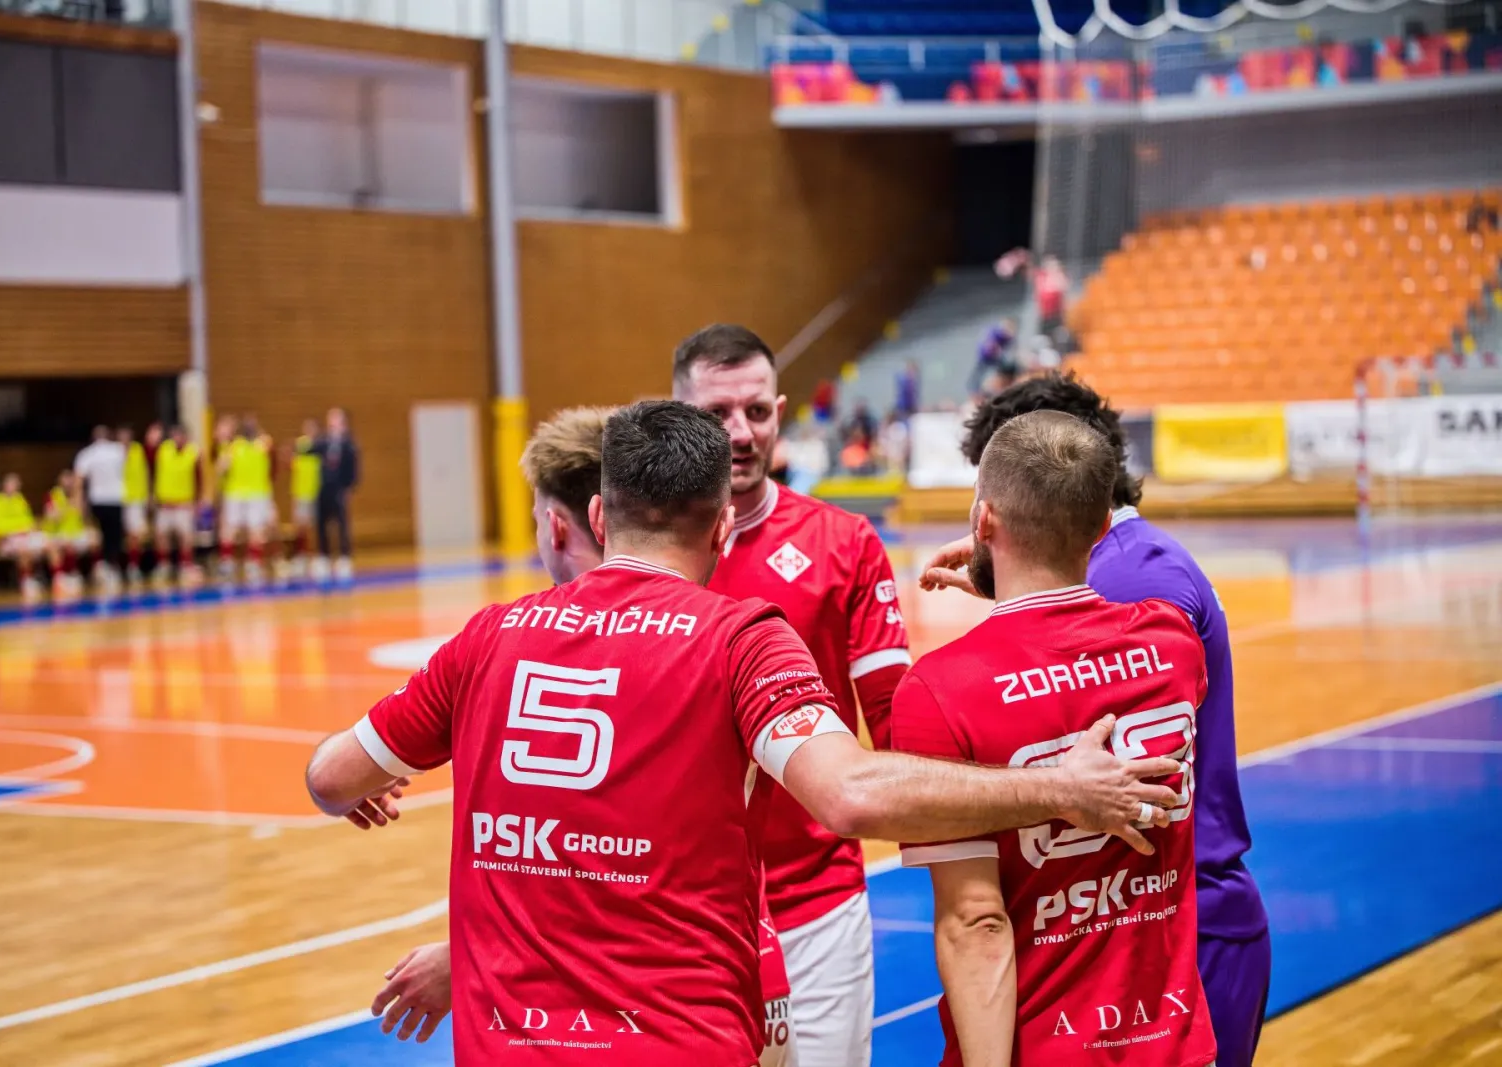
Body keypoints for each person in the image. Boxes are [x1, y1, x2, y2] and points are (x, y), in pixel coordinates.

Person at [306, 400, 1179, 1067]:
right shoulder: (741, 638)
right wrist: (1060, 787)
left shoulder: (488, 637)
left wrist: (368, 784)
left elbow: (330, 776)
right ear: (724, 527)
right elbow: (850, 794)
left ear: (598, 518)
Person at [372, 405, 799, 1064]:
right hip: (720, 994)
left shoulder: (501, 639)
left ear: (571, 521)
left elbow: (582, 855)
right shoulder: (722, 627)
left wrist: (469, 951)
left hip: (625, 1014)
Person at [925, 372, 1271, 1067]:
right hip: (1150, 921)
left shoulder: (1132, 580)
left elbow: (1073, 728)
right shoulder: (1129, 564)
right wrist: (1009, 581)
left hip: (1169, 924)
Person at [669, 324, 906, 1067]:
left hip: (816, 904)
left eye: (755, 411)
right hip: (680, 913)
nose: (740, 433)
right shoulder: (642, 550)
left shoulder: (845, 542)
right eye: (716, 414)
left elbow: (896, 722)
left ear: (779, 411)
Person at [215, 414, 274, 588]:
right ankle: (239, 564)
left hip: (251, 493)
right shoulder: (260, 445)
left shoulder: (239, 446)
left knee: (250, 530)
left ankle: (242, 564)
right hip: (243, 494)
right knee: (238, 529)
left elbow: (220, 468)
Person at [74, 425, 126, 591]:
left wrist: (79, 502)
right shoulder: (118, 450)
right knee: (114, 535)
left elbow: (79, 479)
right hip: (115, 498)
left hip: (98, 499)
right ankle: (111, 565)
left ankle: (102, 565)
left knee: (100, 535)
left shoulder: (87, 453)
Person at [312, 407, 359, 582]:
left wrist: (349, 487)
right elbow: (311, 449)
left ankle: (345, 558)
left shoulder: (349, 443)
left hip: (339, 489)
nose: (331, 422)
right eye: (330, 418)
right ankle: (324, 557)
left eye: (335, 418)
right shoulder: (323, 440)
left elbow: (354, 469)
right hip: (324, 488)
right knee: (321, 524)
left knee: (342, 524)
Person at [153, 424, 200, 587]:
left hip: (184, 502)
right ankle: (163, 565)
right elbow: (151, 466)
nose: (177, 438)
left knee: (185, 536)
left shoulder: (193, 452)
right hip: (165, 502)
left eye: (180, 435)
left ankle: (186, 565)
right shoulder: (163, 450)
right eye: (174, 435)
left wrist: (197, 501)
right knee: (161, 535)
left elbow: (199, 477)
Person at [0, 473, 46, 603]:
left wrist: (23, 528)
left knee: (49, 543)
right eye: (12, 483)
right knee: (23, 549)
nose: (14, 487)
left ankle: (59, 577)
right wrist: (17, 528)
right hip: (5, 540)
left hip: (24, 535)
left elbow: (29, 521)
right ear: (4, 485)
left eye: (16, 484)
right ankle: (26, 580)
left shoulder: (19, 499)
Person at [42, 470, 93, 600]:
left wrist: (78, 496)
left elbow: (82, 514)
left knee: (94, 538)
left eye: (71, 479)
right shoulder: (53, 495)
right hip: (57, 533)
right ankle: (60, 578)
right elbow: (51, 516)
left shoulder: (78, 495)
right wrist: (65, 507)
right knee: (57, 546)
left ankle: (93, 571)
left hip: (75, 532)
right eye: (65, 479)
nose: (68, 482)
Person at [287, 418, 323, 583]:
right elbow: (292, 465)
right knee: (300, 526)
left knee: (315, 527)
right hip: (301, 492)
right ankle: (300, 557)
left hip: (316, 492)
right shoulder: (299, 445)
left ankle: (316, 558)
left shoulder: (321, 446)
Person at [119, 425, 154, 586]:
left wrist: (147, 494)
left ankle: (134, 565)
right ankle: (119, 566)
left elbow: (146, 472)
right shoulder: (114, 453)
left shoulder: (138, 450)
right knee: (122, 535)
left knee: (136, 534)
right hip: (119, 499)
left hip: (136, 498)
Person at [970, 318, 1019, 401]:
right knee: (978, 377)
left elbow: (1013, 348)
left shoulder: (1009, 337)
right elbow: (989, 347)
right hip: (986, 356)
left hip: (996, 358)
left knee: (1007, 367)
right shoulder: (994, 333)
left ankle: (1003, 384)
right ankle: (977, 392)